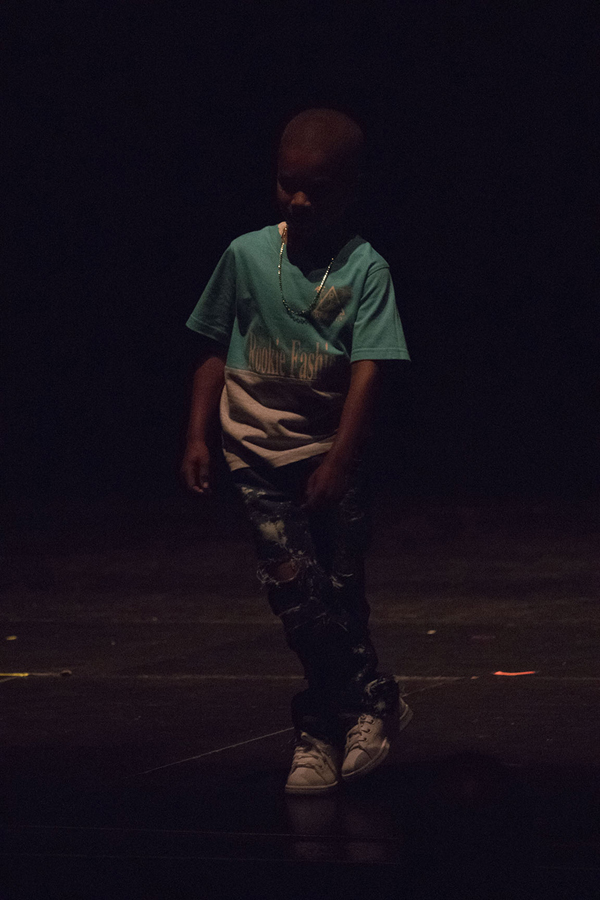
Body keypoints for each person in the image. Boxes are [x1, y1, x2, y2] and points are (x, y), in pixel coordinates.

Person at [181, 108, 412, 795]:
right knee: (294, 595)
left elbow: (370, 369)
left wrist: (339, 459)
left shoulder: (366, 268)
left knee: (339, 591)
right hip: (254, 450)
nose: (300, 200)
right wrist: (196, 434)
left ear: (350, 189)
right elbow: (213, 346)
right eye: (288, 184)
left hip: (329, 453)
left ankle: (330, 718)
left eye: (318, 188)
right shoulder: (245, 255)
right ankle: (360, 703)